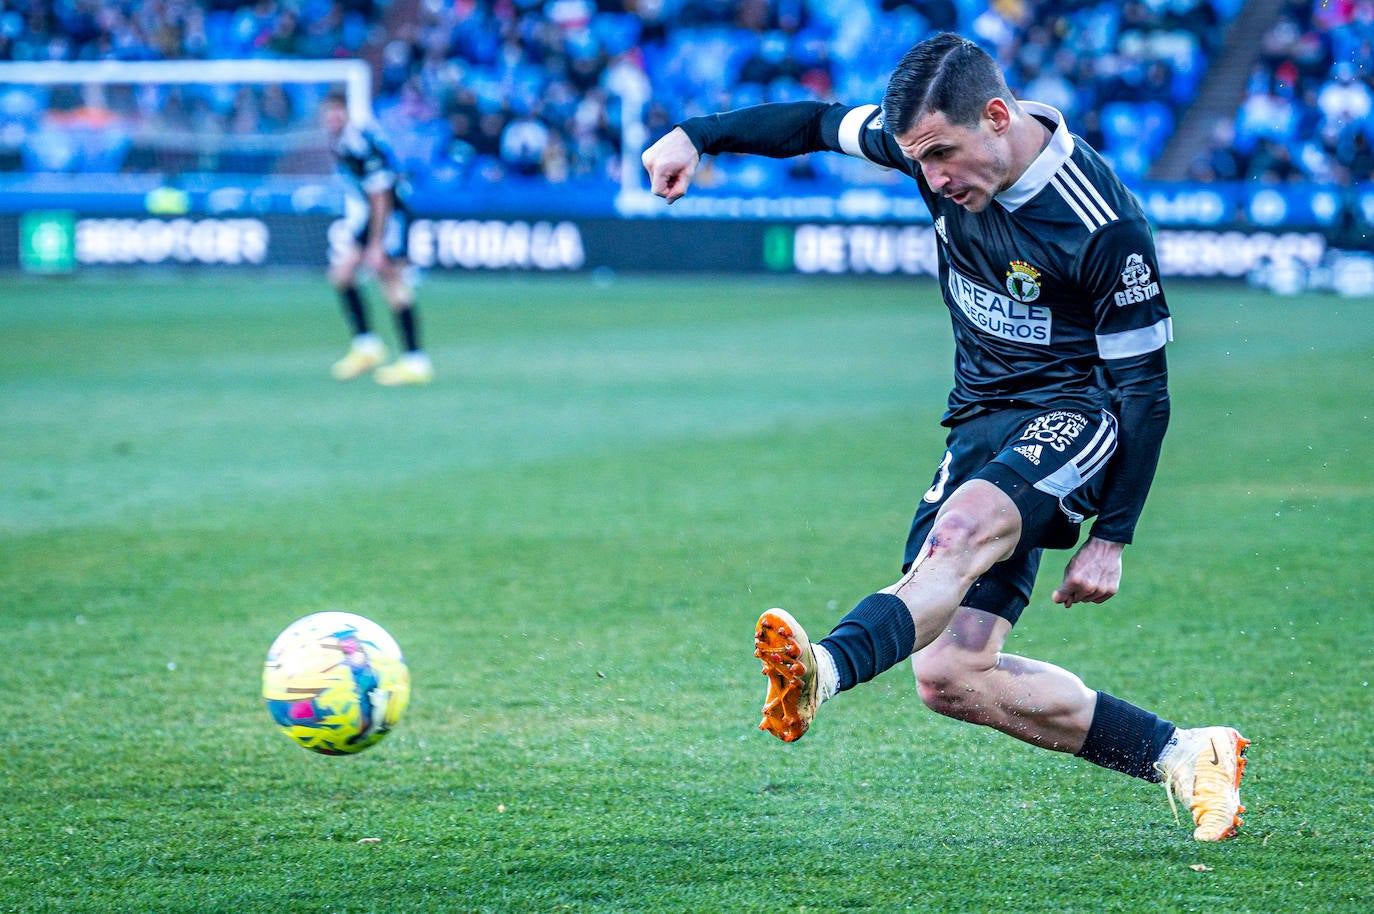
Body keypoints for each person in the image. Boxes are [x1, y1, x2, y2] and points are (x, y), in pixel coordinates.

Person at [641, 33, 1249, 842]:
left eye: (942, 157)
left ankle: (820, 668)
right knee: (950, 673)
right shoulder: (929, 144)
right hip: (980, 421)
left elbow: (1143, 387)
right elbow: (817, 124)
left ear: (997, 117)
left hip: (1076, 414)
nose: (931, 179)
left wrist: (1113, 537)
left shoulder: (1102, 225)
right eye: (918, 160)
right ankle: (1184, 753)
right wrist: (698, 134)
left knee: (960, 535)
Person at [320, 92, 434, 386]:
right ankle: (368, 347)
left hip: (389, 215)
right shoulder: (345, 141)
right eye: (328, 113)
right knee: (342, 275)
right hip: (373, 216)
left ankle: (415, 361)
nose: (332, 118)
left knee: (393, 282)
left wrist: (375, 243)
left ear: (346, 113)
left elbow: (381, 195)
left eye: (337, 112)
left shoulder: (359, 142)